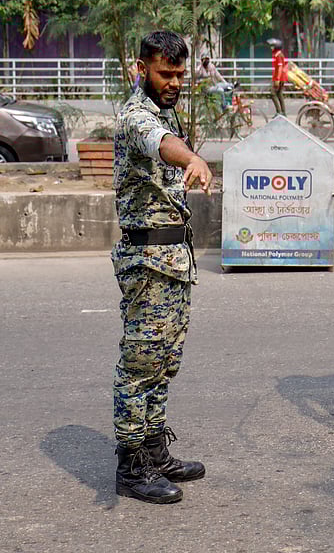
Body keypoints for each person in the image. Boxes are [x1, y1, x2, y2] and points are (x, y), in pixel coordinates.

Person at [112, 31, 213, 505]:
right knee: (140, 364)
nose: (174, 82)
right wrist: (192, 157)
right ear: (142, 69)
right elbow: (162, 144)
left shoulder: (164, 112)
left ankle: (154, 451)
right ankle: (131, 466)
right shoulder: (137, 117)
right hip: (148, 262)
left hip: (172, 260)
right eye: (164, 74)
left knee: (163, 363)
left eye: (178, 74)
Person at [268, 39, 288, 116]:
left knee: (273, 93)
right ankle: (283, 112)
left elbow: (279, 68)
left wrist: (277, 79)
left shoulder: (278, 55)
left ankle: (279, 112)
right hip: (279, 78)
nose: (271, 48)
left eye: (272, 46)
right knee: (279, 94)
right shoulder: (277, 54)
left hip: (279, 78)